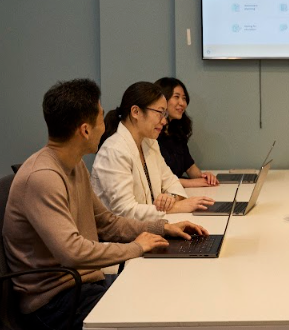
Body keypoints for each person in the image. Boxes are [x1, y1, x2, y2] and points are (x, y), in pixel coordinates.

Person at [2, 79, 208, 330]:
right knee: (155, 316)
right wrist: (136, 247)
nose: (107, 124)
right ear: (85, 130)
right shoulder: (43, 176)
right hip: (55, 303)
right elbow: (73, 252)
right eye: (101, 117)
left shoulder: (74, 164)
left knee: (167, 300)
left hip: (84, 285)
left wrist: (161, 228)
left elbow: (106, 223)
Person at [91, 82, 214, 221]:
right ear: (136, 112)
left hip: (149, 228)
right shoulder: (114, 151)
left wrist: (170, 199)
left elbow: (173, 183)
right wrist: (177, 207)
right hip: (121, 239)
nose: (164, 121)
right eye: (160, 113)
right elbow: (125, 211)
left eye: (165, 114)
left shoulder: (149, 143)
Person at [155, 77, 218, 187]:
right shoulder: (151, 135)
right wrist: (190, 182)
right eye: (176, 97)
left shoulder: (177, 132)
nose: (182, 103)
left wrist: (204, 177)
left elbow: (189, 167)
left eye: (184, 98)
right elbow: (157, 180)